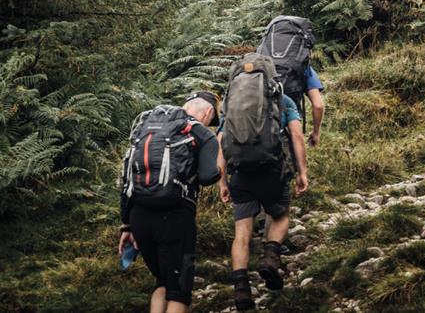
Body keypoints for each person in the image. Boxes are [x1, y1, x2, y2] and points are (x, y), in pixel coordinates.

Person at [118, 91, 221, 313]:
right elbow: (208, 176)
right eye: (212, 121)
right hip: (175, 216)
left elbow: (126, 179)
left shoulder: (147, 126)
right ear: (209, 112)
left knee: (162, 281)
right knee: (179, 290)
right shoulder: (201, 133)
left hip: (138, 216)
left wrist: (126, 225)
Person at [217, 94, 309, 311]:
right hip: (273, 172)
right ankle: (270, 256)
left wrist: (222, 181)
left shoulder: (231, 102)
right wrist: (302, 171)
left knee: (242, 232)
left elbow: (221, 141)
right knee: (280, 215)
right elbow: (296, 134)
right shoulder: (283, 100)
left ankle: (241, 289)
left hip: (240, 174)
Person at [304, 65, 325, 147]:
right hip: (290, 126)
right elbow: (318, 106)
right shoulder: (302, 64)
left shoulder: (262, 61)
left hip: (262, 122)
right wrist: (315, 133)